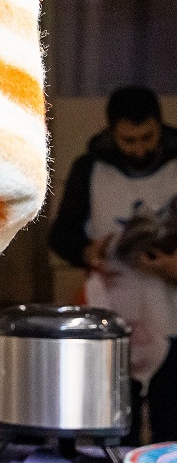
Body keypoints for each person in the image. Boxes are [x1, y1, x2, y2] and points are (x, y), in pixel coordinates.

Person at [50, 84, 177, 442]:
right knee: (115, 426)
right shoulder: (89, 168)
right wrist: (88, 252)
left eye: (147, 138)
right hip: (114, 312)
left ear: (160, 126)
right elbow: (61, 237)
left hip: (171, 310)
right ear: (111, 132)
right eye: (128, 140)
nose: (139, 149)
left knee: (171, 423)